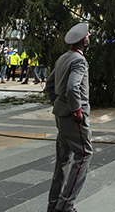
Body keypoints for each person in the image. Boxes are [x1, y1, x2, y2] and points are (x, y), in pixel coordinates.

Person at [45, 23, 93, 212]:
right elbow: (73, 88)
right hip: (74, 118)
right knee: (84, 155)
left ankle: (54, 205)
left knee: (62, 160)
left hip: (60, 115)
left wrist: (56, 103)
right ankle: (66, 205)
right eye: (88, 35)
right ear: (84, 40)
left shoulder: (63, 58)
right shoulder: (79, 61)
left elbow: (49, 85)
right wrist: (77, 111)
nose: (89, 37)